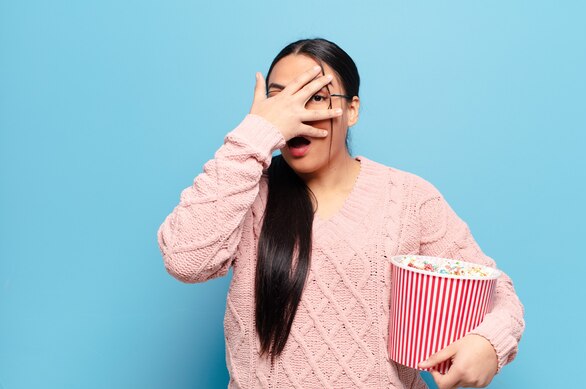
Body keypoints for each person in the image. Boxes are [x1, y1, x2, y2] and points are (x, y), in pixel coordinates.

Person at [157, 37, 524, 389]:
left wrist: (490, 342)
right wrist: (255, 136)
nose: (297, 115)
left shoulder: (409, 198)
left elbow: (496, 292)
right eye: (280, 101)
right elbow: (185, 260)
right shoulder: (244, 191)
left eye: (315, 97)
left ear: (351, 110)